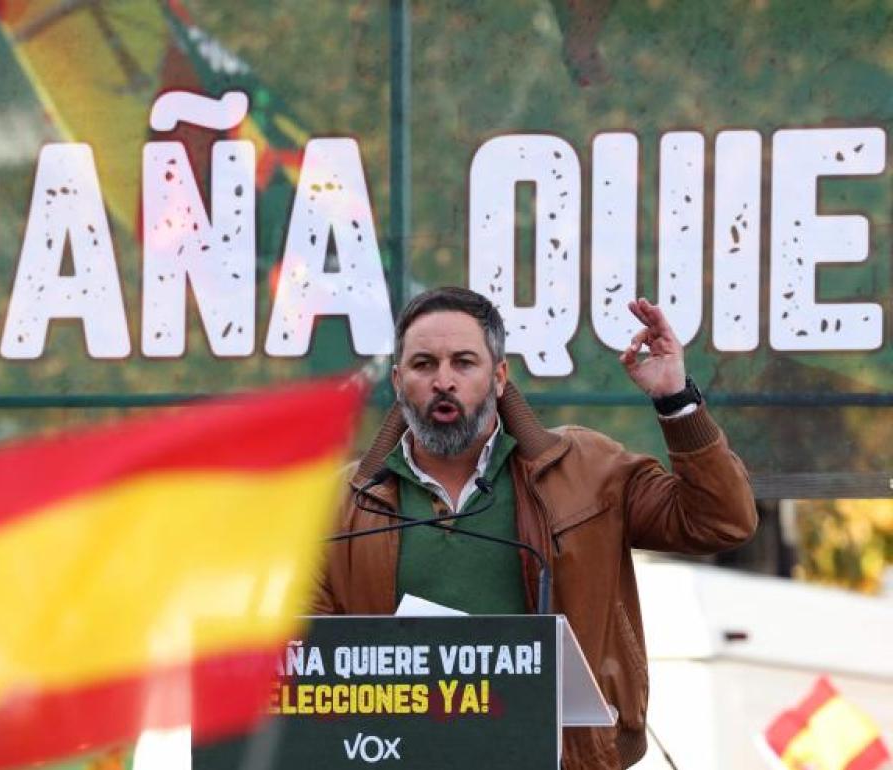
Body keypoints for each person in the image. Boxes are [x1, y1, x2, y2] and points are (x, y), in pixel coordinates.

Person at [313, 286, 757, 770]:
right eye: (424, 365)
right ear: (399, 381)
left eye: (464, 362)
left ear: (499, 376)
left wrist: (676, 401)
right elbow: (303, 654)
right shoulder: (340, 504)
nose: (443, 381)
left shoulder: (586, 470)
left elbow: (721, 522)